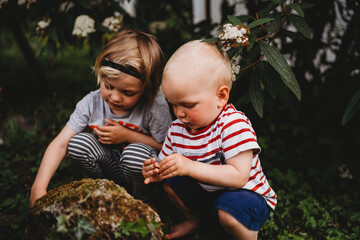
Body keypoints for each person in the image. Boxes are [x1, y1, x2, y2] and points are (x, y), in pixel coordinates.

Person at [142, 40, 277, 239]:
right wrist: (157, 171)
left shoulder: (233, 124)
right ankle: (195, 220)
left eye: (188, 105)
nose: (179, 113)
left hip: (245, 196)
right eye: (173, 105)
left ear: (221, 96)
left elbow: (238, 177)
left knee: (229, 211)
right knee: (171, 182)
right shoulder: (177, 129)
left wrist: (189, 167)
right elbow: (168, 165)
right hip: (208, 193)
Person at [30, 30, 172, 207]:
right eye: (109, 86)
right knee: (77, 143)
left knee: (134, 154)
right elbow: (60, 144)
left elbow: (167, 148)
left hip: (142, 172)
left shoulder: (154, 106)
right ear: (101, 75)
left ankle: (142, 200)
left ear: (147, 89)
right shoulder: (92, 102)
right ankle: (104, 190)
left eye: (128, 93)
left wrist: (128, 135)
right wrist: (38, 188)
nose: (115, 98)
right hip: (111, 165)